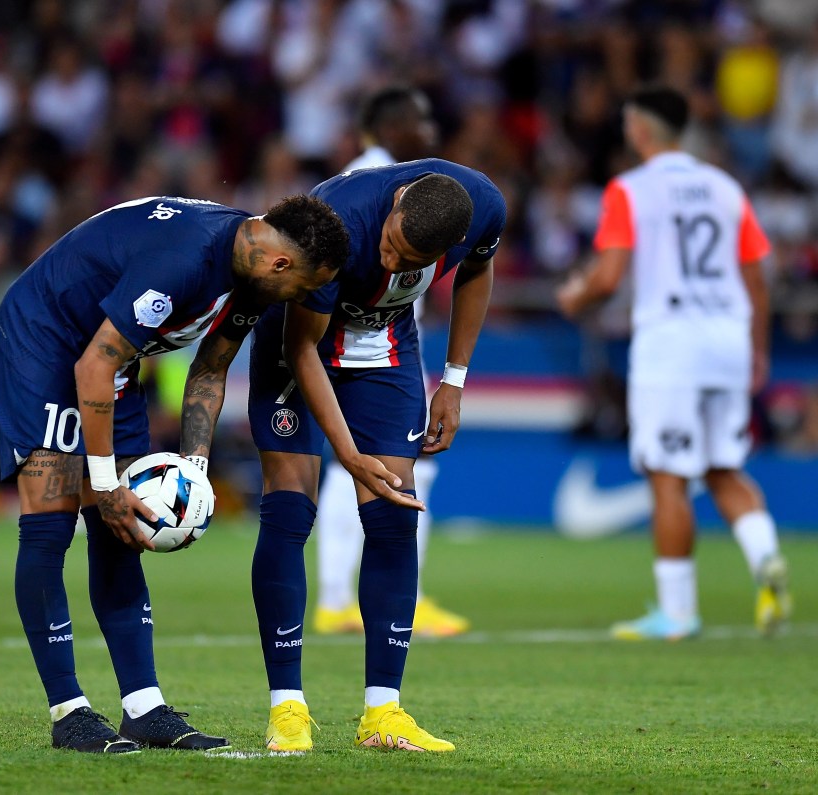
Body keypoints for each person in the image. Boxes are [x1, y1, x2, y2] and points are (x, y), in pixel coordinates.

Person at [0, 194, 349, 753]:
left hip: (112, 359)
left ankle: (143, 707)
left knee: (122, 529)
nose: (302, 299)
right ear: (281, 263)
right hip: (47, 344)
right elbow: (92, 365)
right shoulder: (184, 261)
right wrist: (105, 483)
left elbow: (210, 367)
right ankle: (69, 711)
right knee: (51, 520)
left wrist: (195, 468)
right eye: (304, 287)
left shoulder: (250, 274)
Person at [249, 160, 506, 752]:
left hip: (383, 343)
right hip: (300, 337)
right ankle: (286, 709)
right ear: (393, 208)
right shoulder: (342, 220)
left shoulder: (484, 209)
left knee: (393, 515)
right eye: (390, 247)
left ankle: (382, 713)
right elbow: (301, 345)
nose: (391, 264)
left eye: (411, 262)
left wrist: (455, 380)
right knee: (290, 510)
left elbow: (478, 271)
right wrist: (348, 453)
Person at [556, 85, 792, 641]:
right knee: (723, 467)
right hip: (728, 339)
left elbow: (610, 276)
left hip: (672, 344)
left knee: (668, 476)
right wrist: (758, 349)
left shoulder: (631, 190)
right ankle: (767, 561)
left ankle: (677, 612)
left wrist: (575, 298)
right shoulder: (725, 187)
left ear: (639, 128)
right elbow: (757, 278)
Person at [312, 86, 470, 638]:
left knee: (359, 467)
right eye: (420, 121)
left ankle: (339, 596)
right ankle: (377, 595)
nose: (429, 132)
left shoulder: (400, 182)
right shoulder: (378, 181)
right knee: (388, 467)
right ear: (395, 126)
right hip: (364, 342)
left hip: (387, 335)